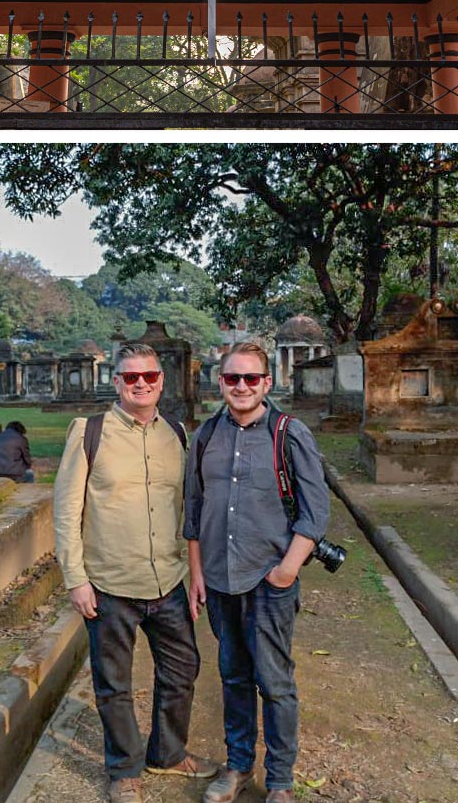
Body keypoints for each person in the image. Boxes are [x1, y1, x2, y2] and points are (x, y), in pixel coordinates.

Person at [54, 344, 214, 802]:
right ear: (116, 382)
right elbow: (66, 509)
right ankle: (124, 769)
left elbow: (188, 510)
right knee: (113, 681)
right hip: (109, 583)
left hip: (167, 580)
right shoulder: (90, 432)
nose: (139, 383)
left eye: (148, 375)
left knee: (183, 668)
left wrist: (196, 571)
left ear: (161, 380)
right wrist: (75, 578)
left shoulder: (177, 435)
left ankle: (166, 753)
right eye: (129, 377)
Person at [185, 340, 330, 803]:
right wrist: (197, 573)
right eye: (233, 378)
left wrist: (287, 570)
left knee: (276, 682)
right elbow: (193, 510)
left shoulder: (289, 434)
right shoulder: (206, 436)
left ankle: (282, 780)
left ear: (267, 383)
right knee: (233, 676)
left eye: (251, 378)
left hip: (268, 580)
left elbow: (315, 512)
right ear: (220, 381)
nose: (242, 386)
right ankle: (238, 765)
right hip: (219, 577)